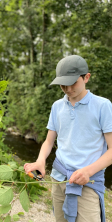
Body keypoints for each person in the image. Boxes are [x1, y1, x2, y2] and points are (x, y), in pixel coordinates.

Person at [24, 55, 112, 222]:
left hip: (88, 182)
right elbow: (49, 141)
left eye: (73, 83)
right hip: (59, 178)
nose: (67, 88)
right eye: (63, 84)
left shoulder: (103, 106)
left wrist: (88, 171)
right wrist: (40, 160)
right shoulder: (57, 107)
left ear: (87, 77)